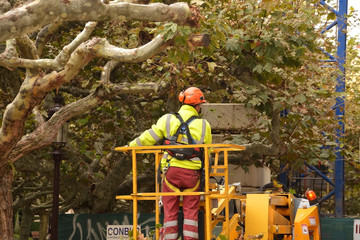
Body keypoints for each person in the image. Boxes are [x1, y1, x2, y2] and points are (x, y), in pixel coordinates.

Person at [129, 87, 212, 240]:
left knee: (170, 211)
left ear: (182, 102)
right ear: (198, 106)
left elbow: (150, 136)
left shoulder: (167, 119)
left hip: (171, 172)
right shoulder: (204, 125)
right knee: (191, 213)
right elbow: (208, 152)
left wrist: (131, 146)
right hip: (192, 175)